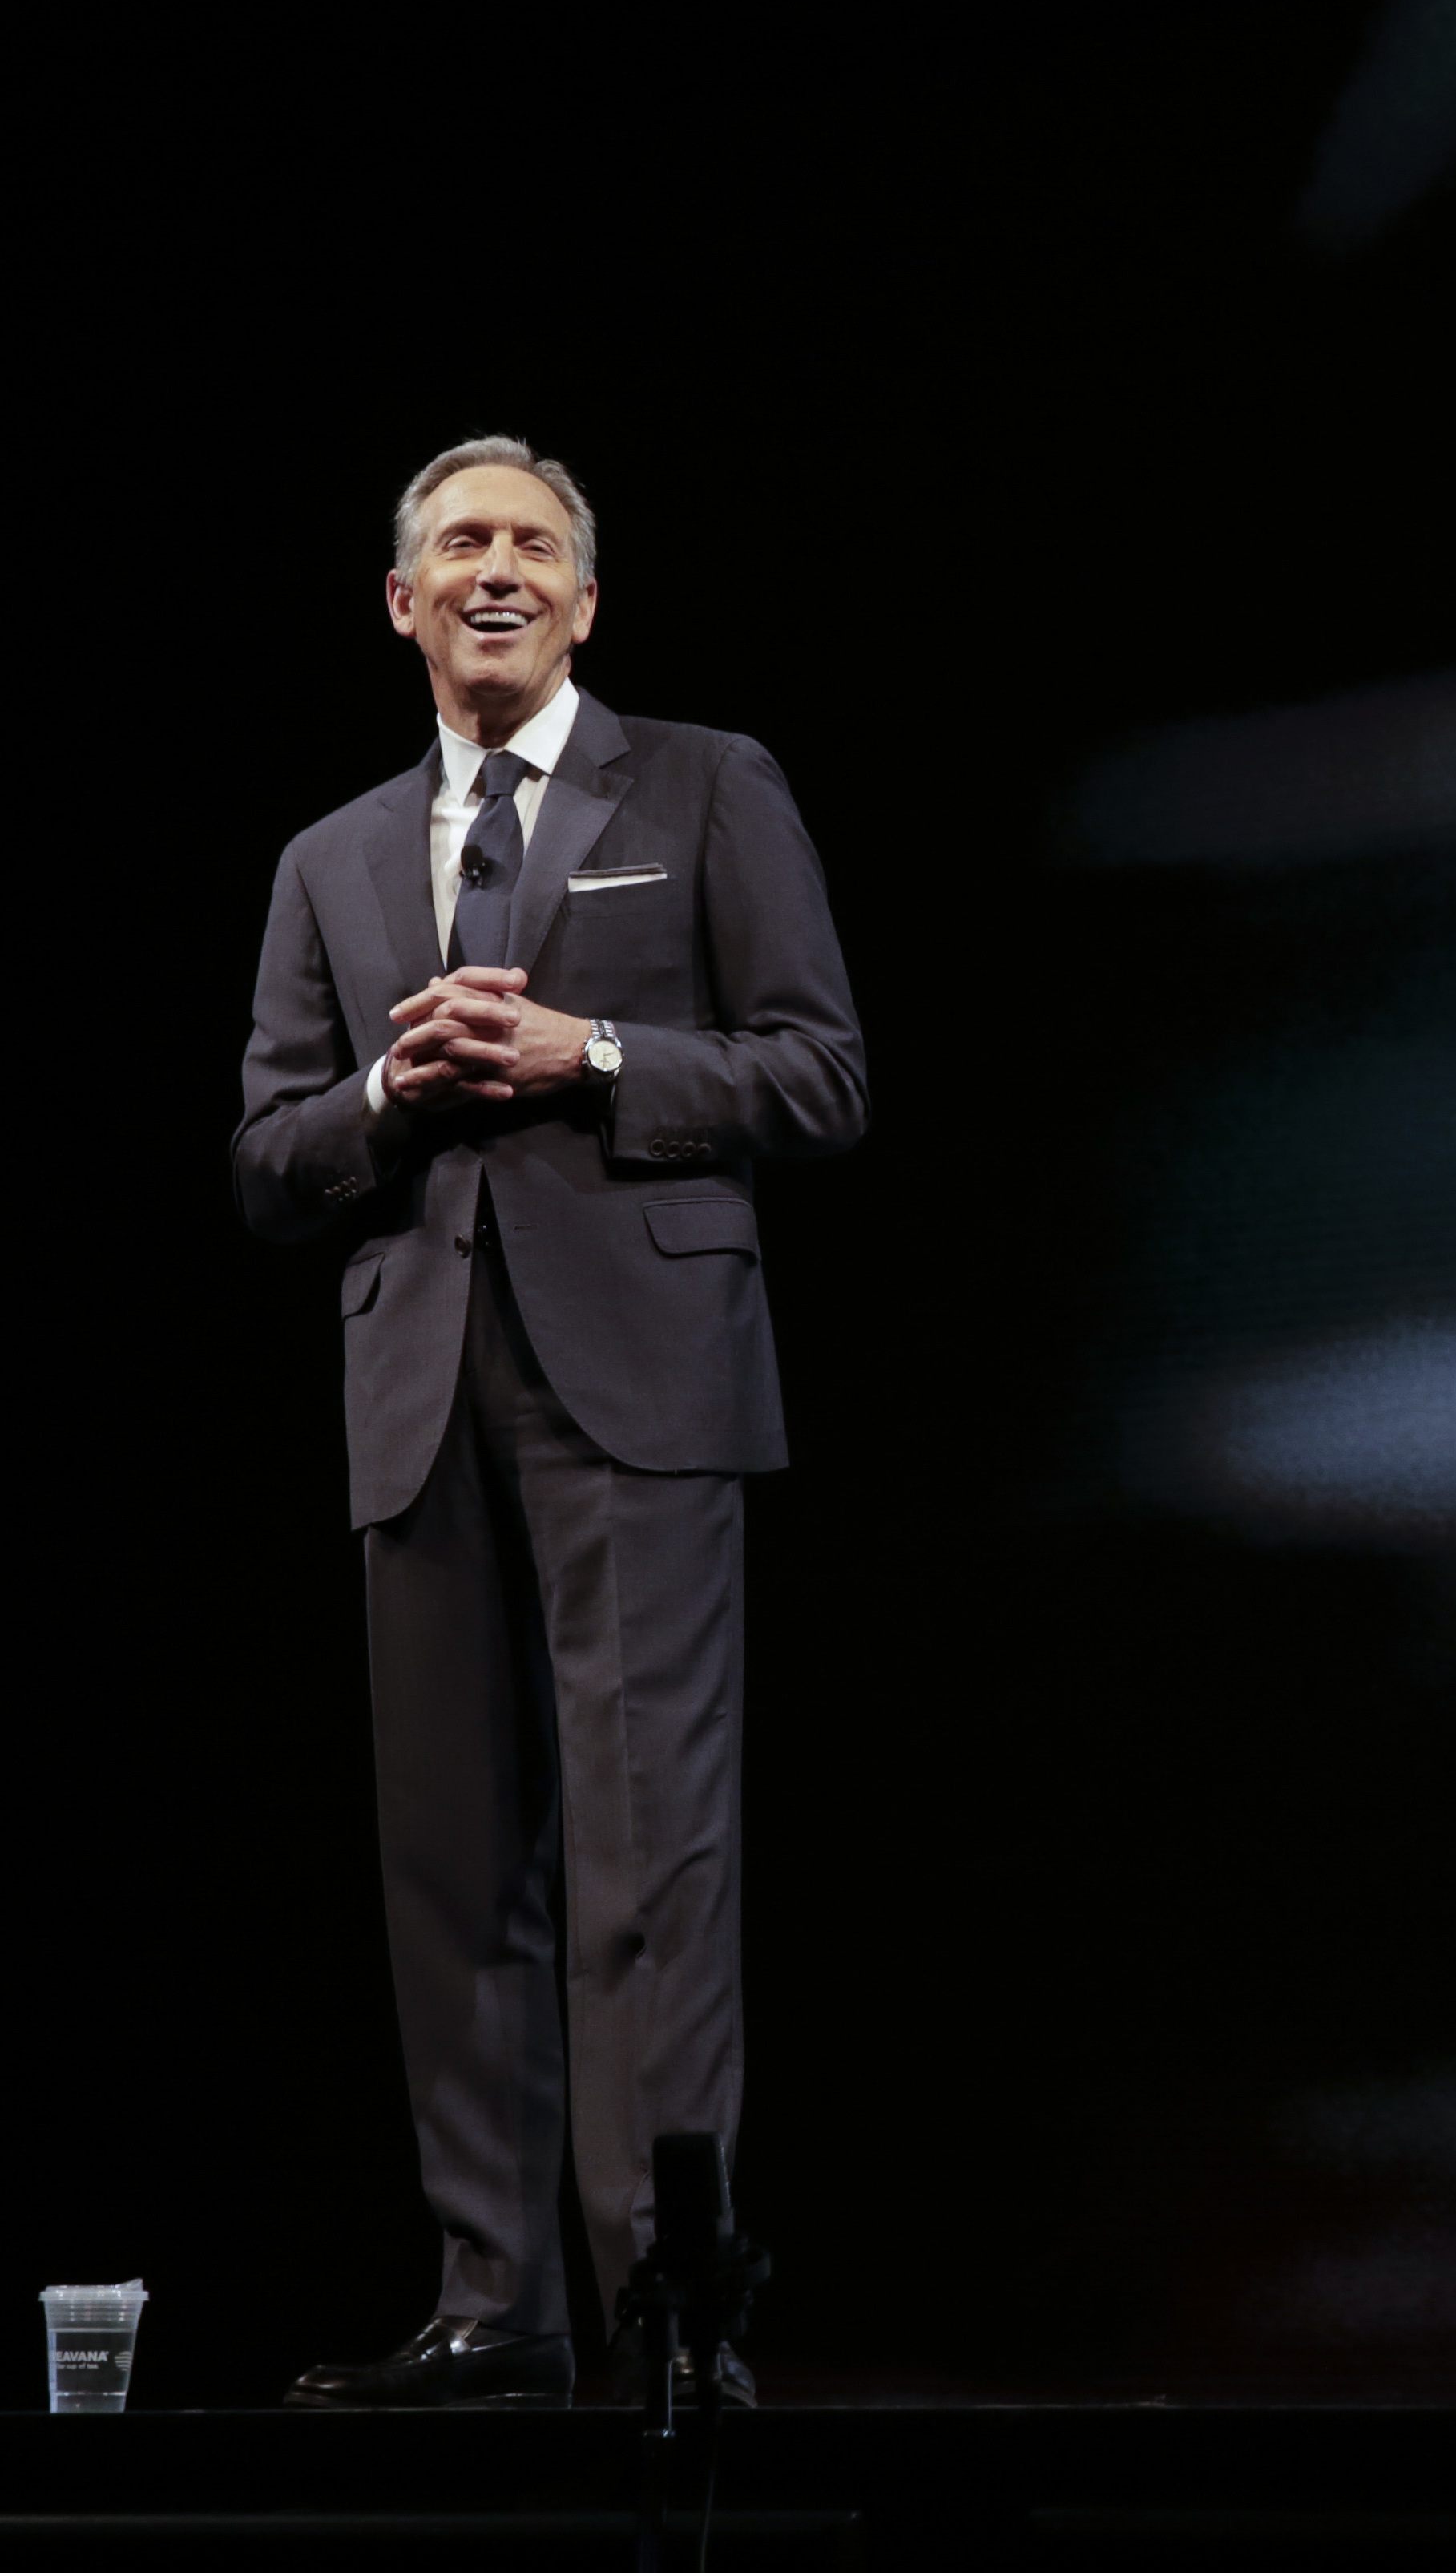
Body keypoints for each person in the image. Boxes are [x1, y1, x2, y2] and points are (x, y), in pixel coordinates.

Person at [233, 438, 866, 2409]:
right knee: (452, 1864)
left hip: (643, 1381)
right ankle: (494, 2308)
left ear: (586, 603)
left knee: (648, 1856)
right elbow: (267, 1160)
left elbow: (822, 1074)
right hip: (420, 1391)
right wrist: (392, 1103)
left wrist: (586, 1052)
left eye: (530, 545)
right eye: (456, 547)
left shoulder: (701, 783)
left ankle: (671, 2310)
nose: (492, 570)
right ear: (402, 605)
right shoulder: (331, 859)